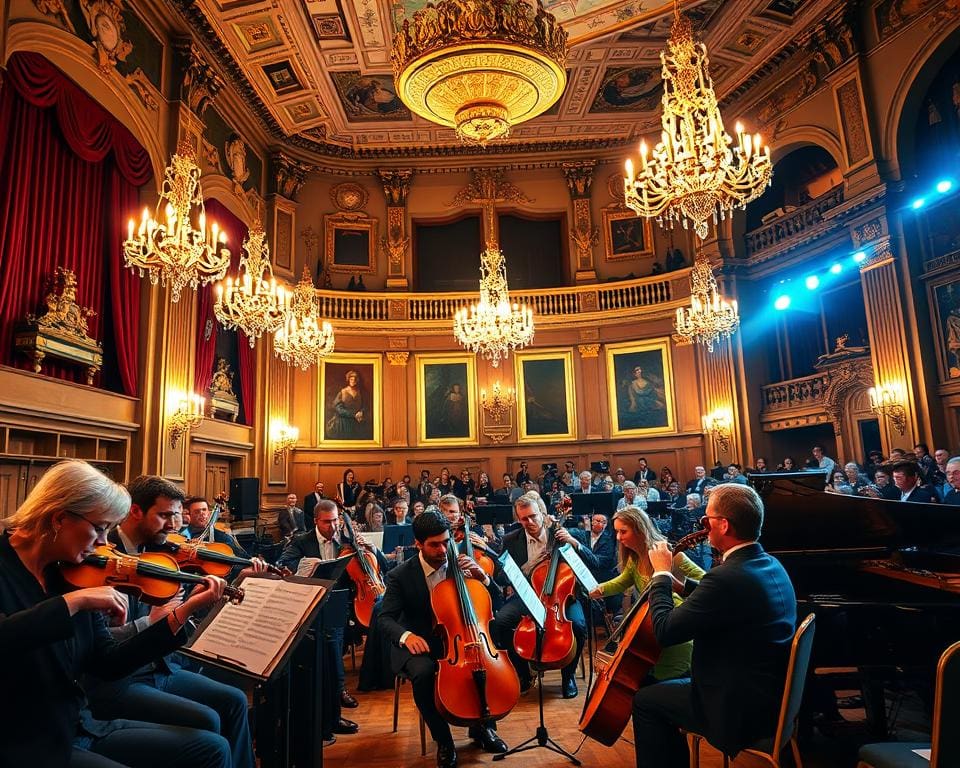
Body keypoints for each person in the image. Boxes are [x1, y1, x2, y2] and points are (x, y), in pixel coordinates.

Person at [0, 460, 231, 768]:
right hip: (23, 740)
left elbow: (107, 662)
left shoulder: (72, 573)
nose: (103, 544)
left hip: (78, 726)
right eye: (99, 528)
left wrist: (182, 612)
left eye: (109, 530)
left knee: (211, 748)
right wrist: (73, 603)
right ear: (59, 518)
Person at [85, 475, 258, 768]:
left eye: (176, 515)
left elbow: (179, 615)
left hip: (160, 665)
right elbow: (95, 643)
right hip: (122, 678)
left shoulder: (156, 552)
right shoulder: (99, 555)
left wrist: (229, 584)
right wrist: (151, 622)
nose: (173, 525)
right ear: (135, 512)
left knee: (234, 699)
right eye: (164, 515)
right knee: (208, 718)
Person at [631, 484, 797, 768]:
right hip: (771, 697)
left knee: (645, 701)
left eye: (706, 520)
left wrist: (659, 573)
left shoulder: (725, 578)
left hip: (734, 707)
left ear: (723, 524)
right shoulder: (769, 563)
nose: (703, 525)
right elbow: (727, 602)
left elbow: (666, 631)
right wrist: (683, 587)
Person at [378, 511, 507, 767]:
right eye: (434, 544)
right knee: (424, 672)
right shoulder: (400, 575)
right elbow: (384, 619)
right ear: (418, 544)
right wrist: (406, 636)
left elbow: (497, 602)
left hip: (460, 639)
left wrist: (483, 578)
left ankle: (482, 727)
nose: (443, 549)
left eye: (446, 541)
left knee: (480, 663)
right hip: (420, 641)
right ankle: (444, 740)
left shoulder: (461, 564)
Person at [491, 491, 598, 699]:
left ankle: (568, 677)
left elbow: (594, 563)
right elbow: (501, 578)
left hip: (562, 596)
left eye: (533, 516)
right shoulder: (511, 540)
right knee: (500, 623)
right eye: (524, 519)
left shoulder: (565, 534)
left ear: (542, 513)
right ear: (519, 520)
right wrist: (520, 571)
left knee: (578, 625)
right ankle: (524, 674)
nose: (529, 522)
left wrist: (574, 544)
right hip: (529, 596)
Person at [589, 506, 704, 681]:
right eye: (617, 532)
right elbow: (623, 580)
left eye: (623, 532)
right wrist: (600, 589)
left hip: (673, 632)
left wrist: (678, 585)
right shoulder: (635, 557)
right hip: (653, 631)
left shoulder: (670, 555)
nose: (618, 538)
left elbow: (706, 584)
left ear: (640, 529)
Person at [327, 370, 365, 440]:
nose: (353, 381)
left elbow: (363, 405)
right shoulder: (343, 392)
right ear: (348, 380)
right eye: (351, 379)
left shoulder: (360, 392)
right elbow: (338, 408)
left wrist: (361, 412)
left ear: (357, 381)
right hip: (344, 422)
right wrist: (353, 415)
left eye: (355, 379)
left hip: (357, 421)